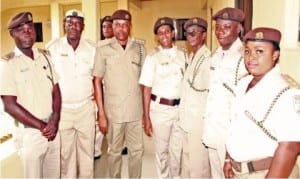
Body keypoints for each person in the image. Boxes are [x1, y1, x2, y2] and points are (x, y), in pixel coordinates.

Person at [224, 27, 300, 178]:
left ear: (275, 55)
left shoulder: (287, 92)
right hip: (239, 171)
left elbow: (291, 146)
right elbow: (235, 125)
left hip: (267, 172)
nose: (251, 57)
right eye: (247, 51)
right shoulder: (242, 84)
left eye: (259, 51)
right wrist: (228, 159)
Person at [0, 12, 61, 178]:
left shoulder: (45, 56)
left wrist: (55, 120)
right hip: (31, 134)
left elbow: (56, 90)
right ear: (12, 33)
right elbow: (9, 105)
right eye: (21, 29)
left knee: (54, 175)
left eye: (30, 28)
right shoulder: (8, 64)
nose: (27, 32)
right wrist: (42, 127)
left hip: (53, 130)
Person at [93, 9, 146, 178]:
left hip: (135, 111)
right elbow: (96, 81)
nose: (121, 29)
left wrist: (146, 113)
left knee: (136, 151)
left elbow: (145, 82)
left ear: (130, 26)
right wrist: (101, 114)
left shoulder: (139, 48)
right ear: (112, 26)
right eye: (117, 25)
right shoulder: (103, 49)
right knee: (114, 152)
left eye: (125, 25)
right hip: (113, 112)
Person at [46, 9, 96, 178]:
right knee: (66, 154)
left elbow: (97, 78)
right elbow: (49, 80)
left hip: (85, 108)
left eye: (77, 23)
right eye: (69, 23)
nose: (73, 26)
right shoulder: (53, 48)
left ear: (83, 26)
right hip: (63, 110)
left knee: (87, 153)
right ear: (64, 26)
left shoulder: (92, 48)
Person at [202, 7, 249, 178]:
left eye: (227, 27)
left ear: (239, 29)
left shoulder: (245, 57)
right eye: (218, 27)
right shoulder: (216, 55)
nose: (220, 32)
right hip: (213, 129)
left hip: (230, 134)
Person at [139, 17, 187, 178]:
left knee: (177, 150)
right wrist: (146, 117)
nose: (164, 35)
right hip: (159, 110)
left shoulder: (183, 55)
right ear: (157, 37)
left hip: (180, 110)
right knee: (162, 151)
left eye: (167, 31)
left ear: (173, 33)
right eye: (160, 33)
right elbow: (146, 88)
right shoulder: (152, 58)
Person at [177, 17, 211, 178]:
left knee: (199, 168)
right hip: (186, 120)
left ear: (204, 35)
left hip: (199, 122)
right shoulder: (191, 57)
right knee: (187, 163)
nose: (190, 36)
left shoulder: (208, 59)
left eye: (195, 32)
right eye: (188, 33)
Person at [94, 15, 113, 160]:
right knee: (99, 119)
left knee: (115, 120)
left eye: (109, 26)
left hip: (114, 90)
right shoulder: (97, 46)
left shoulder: (118, 45)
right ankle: (95, 150)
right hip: (101, 88)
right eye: (104, 26)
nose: (106, 29)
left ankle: (115, 147)